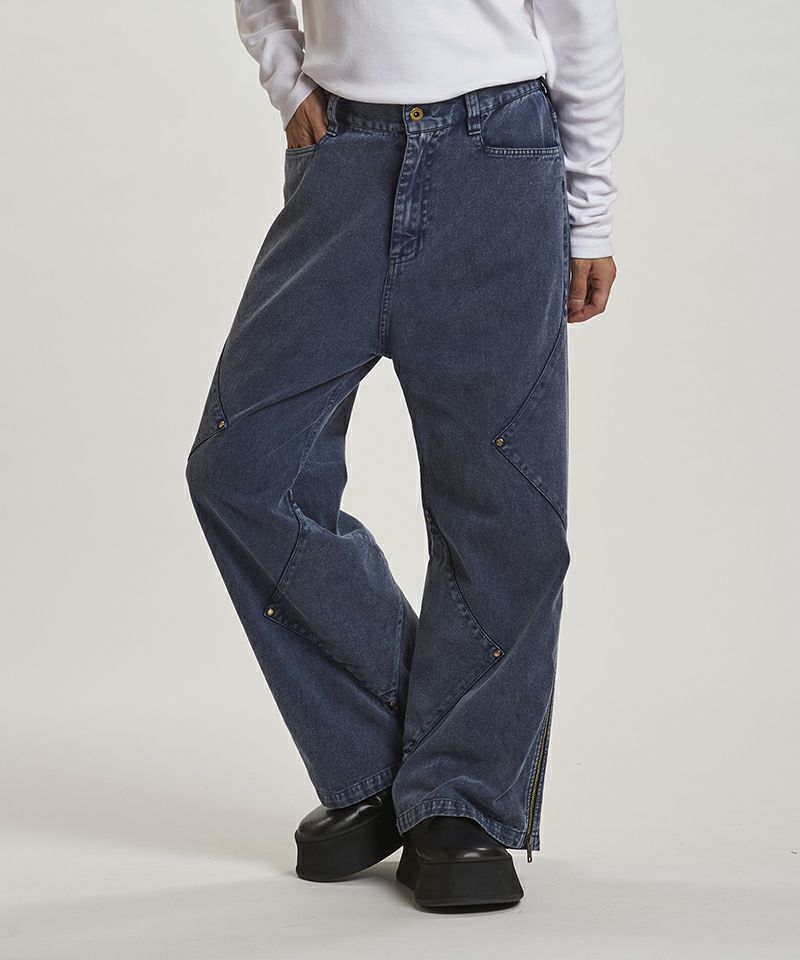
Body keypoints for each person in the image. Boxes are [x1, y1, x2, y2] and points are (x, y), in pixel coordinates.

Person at [186, 0, 624, 910]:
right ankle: (396, 759)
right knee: (241, 467)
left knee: (499, 499)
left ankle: (461, 799)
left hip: (498, 152)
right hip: (342, 153)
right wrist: (285, 74)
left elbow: (581, 18)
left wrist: (591, 213)